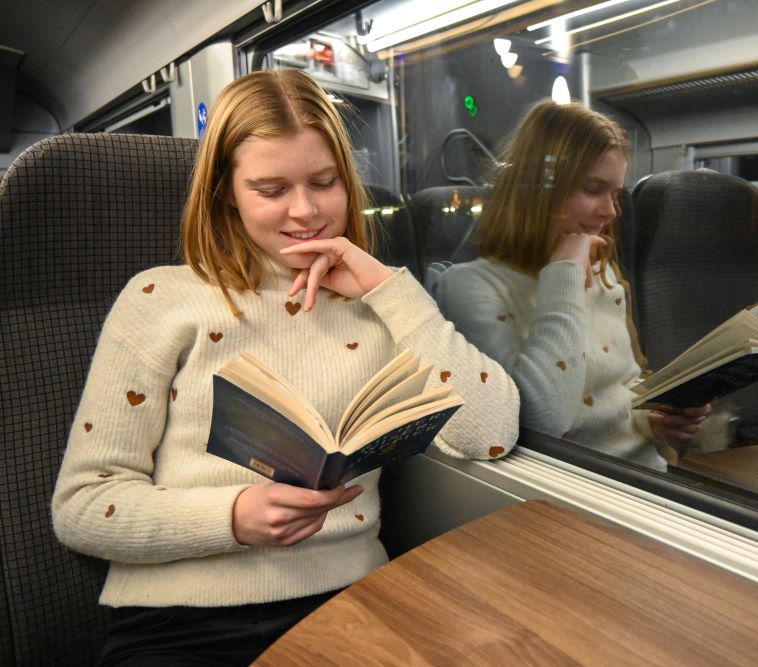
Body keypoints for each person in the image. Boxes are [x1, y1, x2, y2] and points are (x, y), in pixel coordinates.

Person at [51, 69, 519, 665]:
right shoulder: (161, 299)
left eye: (325, 183)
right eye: (271, 190)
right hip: (181, 623)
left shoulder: (381, 308)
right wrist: (233, 517)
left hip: (354, 601)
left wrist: (387, 289)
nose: (306, 212)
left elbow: (494, 434)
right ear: (225, 191)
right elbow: (83, 507)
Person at [435, 101, 710, 471]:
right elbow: (543, 422)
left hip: (645, 475)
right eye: (593, 189)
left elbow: (613, 397)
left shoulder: (603, 275)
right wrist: (563, 275)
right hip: (576, 487)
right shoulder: (470, 287)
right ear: (537, 192)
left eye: (614, 194)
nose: (610, 212)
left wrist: (652, 423)